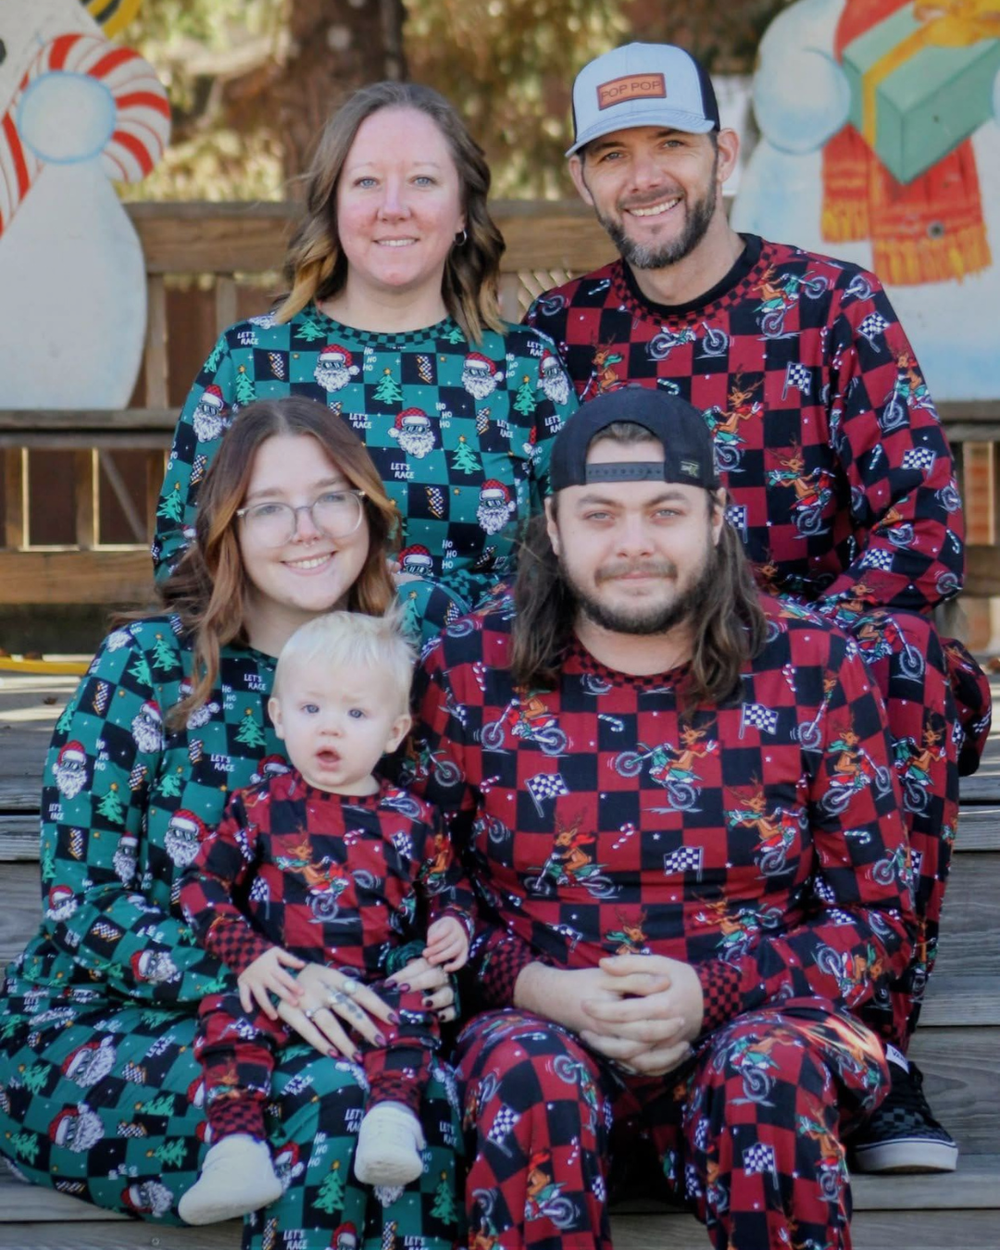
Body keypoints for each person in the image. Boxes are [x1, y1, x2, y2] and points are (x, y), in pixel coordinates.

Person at [525, 41, 992, 1171]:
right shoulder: (559, 332)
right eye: (615, 155)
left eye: (670, 147)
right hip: (617, 660)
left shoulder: (831, 304)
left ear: (722, 156)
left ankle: (856, 1048)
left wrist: (782, 653)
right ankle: (572, 1032)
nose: (645, 177)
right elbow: (531, 537)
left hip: (811, 663)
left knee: (917, 671)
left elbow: (922, 525)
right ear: (585, 180)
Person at [408, 389, 917, 1250]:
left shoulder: (815, 666)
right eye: (600, 513)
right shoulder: (467, 670)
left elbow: (879, 922)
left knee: (773, 1072)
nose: (634, 544)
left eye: (665, 511)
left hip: (763, 1024)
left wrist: (711, 992)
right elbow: (423, 894)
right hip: (536, 1028)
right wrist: (541, 990)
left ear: (716, 520)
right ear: (555, 529)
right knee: (530, 1075)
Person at [0, 397, 462, 1250]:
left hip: (340, 1018)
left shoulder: (401, 679)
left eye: (331, 496)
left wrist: (431, 970)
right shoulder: (144, 671)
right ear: (227, 529)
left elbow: (418, 872)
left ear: (367, 508)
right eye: (270, 506)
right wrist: (265, 981)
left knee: (416, 1101)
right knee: (328, 1098)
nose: (307, 528)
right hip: (113, 1024)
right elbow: (83, 899)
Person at [154, 81, 578, 645]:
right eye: (366, 182)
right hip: (290, 689)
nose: (393, 208)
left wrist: (424, 607)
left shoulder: (524, 367)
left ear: (462, 214)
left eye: (423, 181)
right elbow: (180, 551)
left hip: (479, 683)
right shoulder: (253, 358)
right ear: (333, 206)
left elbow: (578, 555)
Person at [177, 610, 475, 1224]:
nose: (329, 728)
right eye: (311, 710)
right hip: (276, 977)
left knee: (414, 1008)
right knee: (227, 1020)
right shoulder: (259, 804)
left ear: (394, 733)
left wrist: (453, 925)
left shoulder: (413, 819)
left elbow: (450, 887)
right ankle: (236, 1152)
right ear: (279, 716)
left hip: (368, 985)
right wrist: (249, 955)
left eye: (356, 714)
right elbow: (201, 886)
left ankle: (391, 1122)